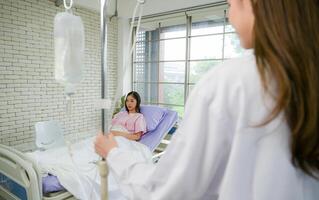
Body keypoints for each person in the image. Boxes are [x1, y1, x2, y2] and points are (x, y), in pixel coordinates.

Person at [95, 0, 319, 199]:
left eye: (230, 5)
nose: (230, 16)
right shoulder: (308, 78)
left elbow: (165, 191)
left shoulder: (228, 83)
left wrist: (114, 153)